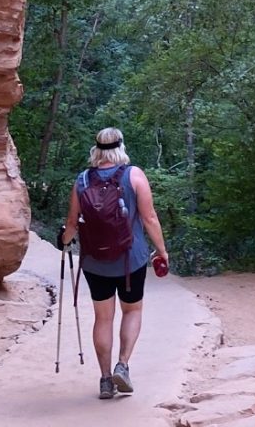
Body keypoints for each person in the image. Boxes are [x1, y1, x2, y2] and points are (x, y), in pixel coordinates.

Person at [59, 127, 169, 400]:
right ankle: (123, 365)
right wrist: (161, 251)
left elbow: (71, 224)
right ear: (121, 147)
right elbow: (150, 218)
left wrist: (64, 241)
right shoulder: (134, 175)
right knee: (132, 311)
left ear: (96, 150)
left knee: (103, 318)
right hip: (130, 261)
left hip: (95, 262)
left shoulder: (82, 180)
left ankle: (106, 380)